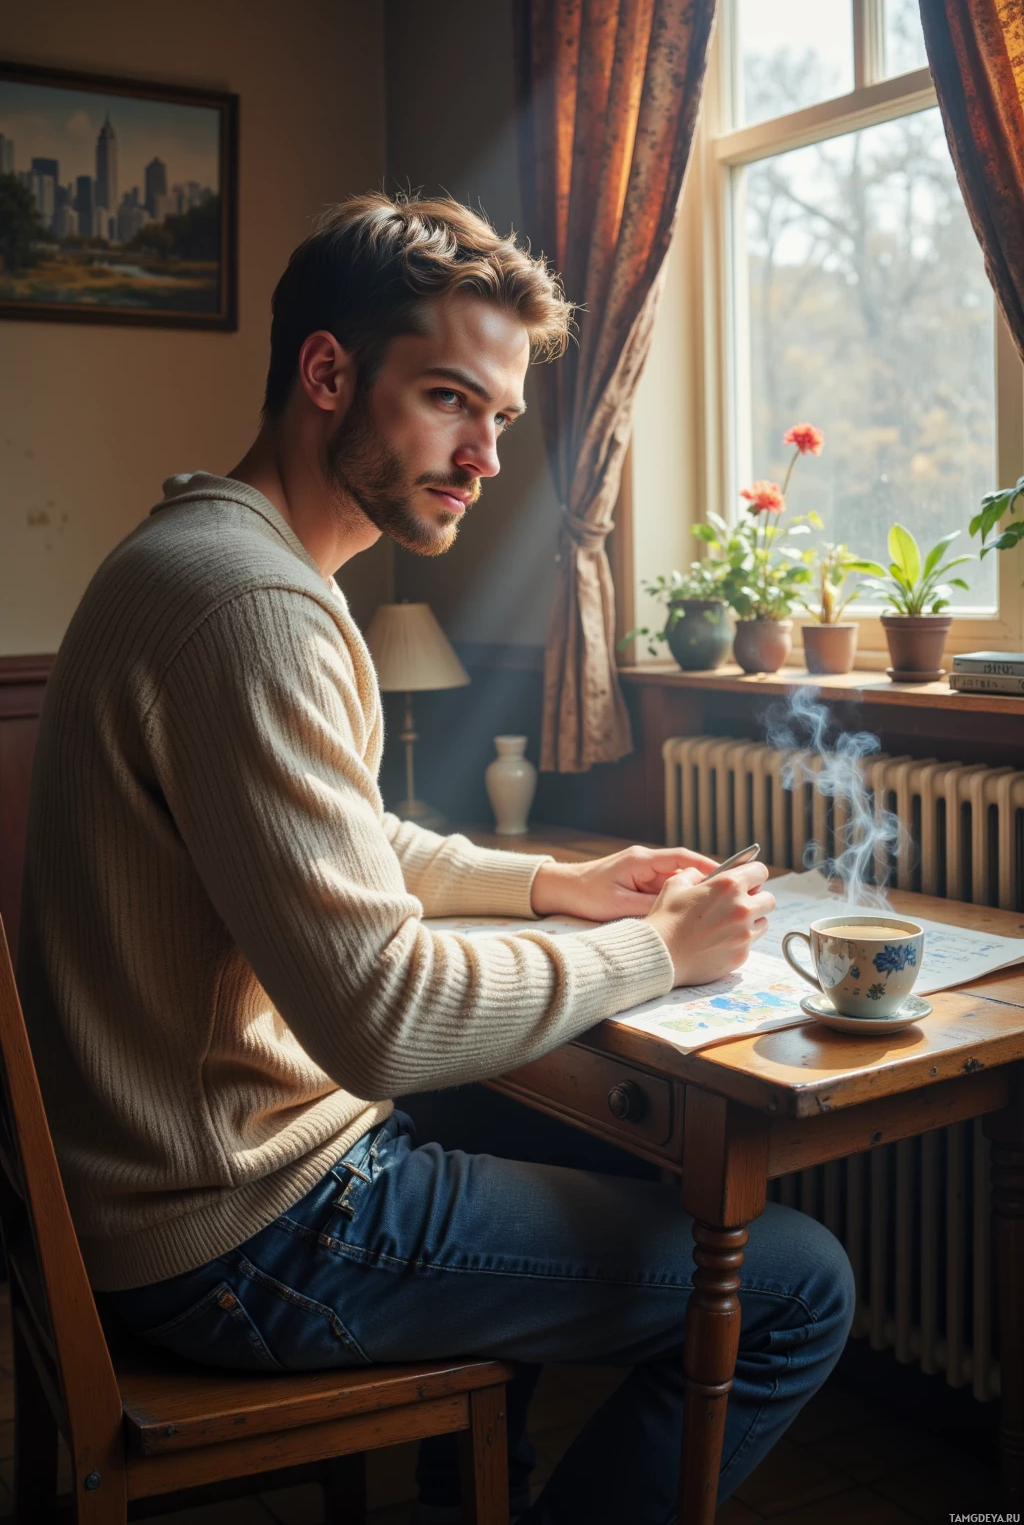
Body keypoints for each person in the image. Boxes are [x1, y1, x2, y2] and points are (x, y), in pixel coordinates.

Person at [18, 193, 855, 1524]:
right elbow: (384, 1024)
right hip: (234, 1237)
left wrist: (553, 885)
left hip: (181, 1176)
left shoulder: (214, 555)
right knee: (797, 1283)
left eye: (504, 421)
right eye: (453, 401)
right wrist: (653, 949)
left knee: (582, 1141)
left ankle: (476, 1488)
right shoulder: (254, 610)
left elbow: (345, 837)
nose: (485, 456)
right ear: (329, 373)